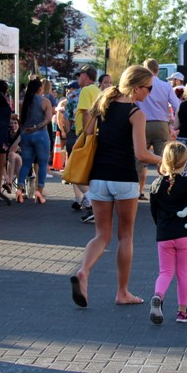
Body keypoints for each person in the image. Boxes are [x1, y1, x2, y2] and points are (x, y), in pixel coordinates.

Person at [70, 65, 163, 308]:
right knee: (126, 236)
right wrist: (163, 160)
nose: (149, 94)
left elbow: (88, 132)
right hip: (124, 178)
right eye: (148, 88)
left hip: (99, 176)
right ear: (136, 87)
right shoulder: (136, 114)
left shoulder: (103, 104)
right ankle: (122, 292)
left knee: (101, 235)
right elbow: (141, 154)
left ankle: (84, 271)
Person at [148, 142, 187, 324]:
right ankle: (182, 312)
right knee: (183, 273)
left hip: (164, 234)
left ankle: (158, 295)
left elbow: (153, 212)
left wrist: (160, 226)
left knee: (165, 272)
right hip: (183, 234)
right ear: (185, 162)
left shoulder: (156, 184)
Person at [140, 59, 181, 200]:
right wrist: (176, 123)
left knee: (139, 159)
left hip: (141, 124)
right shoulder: (165, 85)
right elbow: (177, 105)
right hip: (161, 124)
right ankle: (165, 191)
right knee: (163, 159)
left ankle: (137, 191)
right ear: (158, 70)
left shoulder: (140, 85)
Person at [15, 79, 54, 204]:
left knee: (26, 164)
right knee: (42, 164)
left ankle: (20, 189)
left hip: (26, 134)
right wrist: (37, 127)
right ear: (40, 89)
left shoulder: (24, 102)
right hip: (41, 135)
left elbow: (21, 119)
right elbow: (48, 119)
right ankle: (39, 191)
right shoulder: (45, 101)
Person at [74, 65, 101, 222]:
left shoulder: (86, 90)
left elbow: (85, 112)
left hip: (86, 134)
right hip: (95, 134)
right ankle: (93, 203)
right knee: (88, 173)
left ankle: (92, 203)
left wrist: (85, 134)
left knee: (76, 171)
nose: (78, 78)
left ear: (85, 75)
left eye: (80, 75)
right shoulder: (97, 90)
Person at [3, 114, 22, 193]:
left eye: (15, 123)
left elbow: (12, 149)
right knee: (2, 160)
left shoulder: (21, 134)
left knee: (11, 154)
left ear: (18, 124)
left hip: (20, 158)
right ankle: (20, 188)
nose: (13, 125)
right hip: (8, 161)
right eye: (11, 123)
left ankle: (9, 183)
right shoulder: (6, 134)